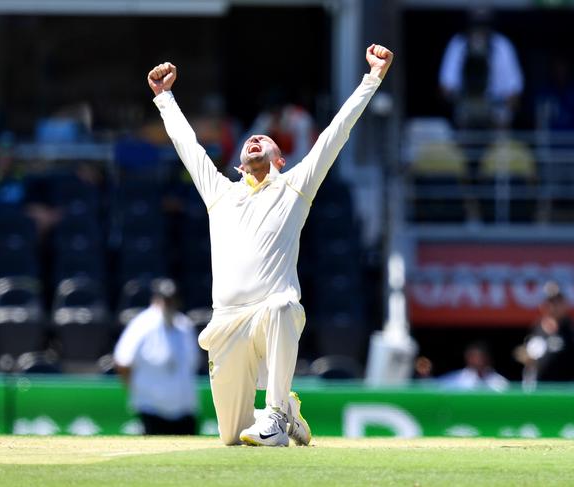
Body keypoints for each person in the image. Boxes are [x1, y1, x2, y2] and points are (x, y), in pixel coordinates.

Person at [147, 43, 393, 446]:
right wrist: (165, 98)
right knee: (231, 437)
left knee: (282, 304)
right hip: (226, 324)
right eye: (251, 140)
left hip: (269, 314)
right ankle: (289, 414)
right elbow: (188, 147)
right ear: (240, 164)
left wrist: (372, 78)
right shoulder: (220, 193)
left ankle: (277, 413)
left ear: (281, 160)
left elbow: (337, 132)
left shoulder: (295, 187)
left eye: (267, 140)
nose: (257, 137)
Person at [113, 278, 199, 435]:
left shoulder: (185, 325)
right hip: (152, 411)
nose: (168, 303)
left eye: (172, 299)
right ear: (156, 298)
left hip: (185, 412)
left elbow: (193, 363)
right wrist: (136, 393)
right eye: (165, 299)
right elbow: (122, 362)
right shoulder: (141, 324)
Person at [439, 7, 523, 129]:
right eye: (476, 23)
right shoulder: (458, 44)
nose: (479, 29)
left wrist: (495, 103)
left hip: (496, 117)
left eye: (483, 24)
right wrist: (462, 99)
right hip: (465, 115)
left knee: (502, 118)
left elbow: (515, 93)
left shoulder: (502, 46)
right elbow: (445, 87)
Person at [515, 281, 574, 385]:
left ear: (565, 304)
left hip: (569, 391)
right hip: (542, 390)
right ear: (543, 305)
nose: (554, 306)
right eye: (550, 302)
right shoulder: (537, 329)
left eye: (558, 302)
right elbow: (529, 364)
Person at [439, 342, 509, 392]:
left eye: (481, 357)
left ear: (487, 359)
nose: (478, 361)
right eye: (473, 357)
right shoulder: (453, 379)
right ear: (467, 358)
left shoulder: (499, 381)